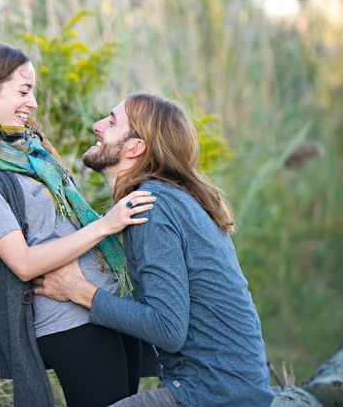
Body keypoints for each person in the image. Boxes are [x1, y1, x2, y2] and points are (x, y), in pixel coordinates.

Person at [0, 42, 158, 407]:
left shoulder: (30, 153)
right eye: (23, 91)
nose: (32, 103)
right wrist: (105, 225)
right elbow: (24, 262)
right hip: (69, 321)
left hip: (105, 305)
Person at [33, 93, 275, 407]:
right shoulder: (168, 198)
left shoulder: (153, 207)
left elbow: (167, 328)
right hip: (228, 388)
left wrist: (79, 291)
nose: (97, 126)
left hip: (214, 394)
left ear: (135, 147)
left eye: (111, 121)